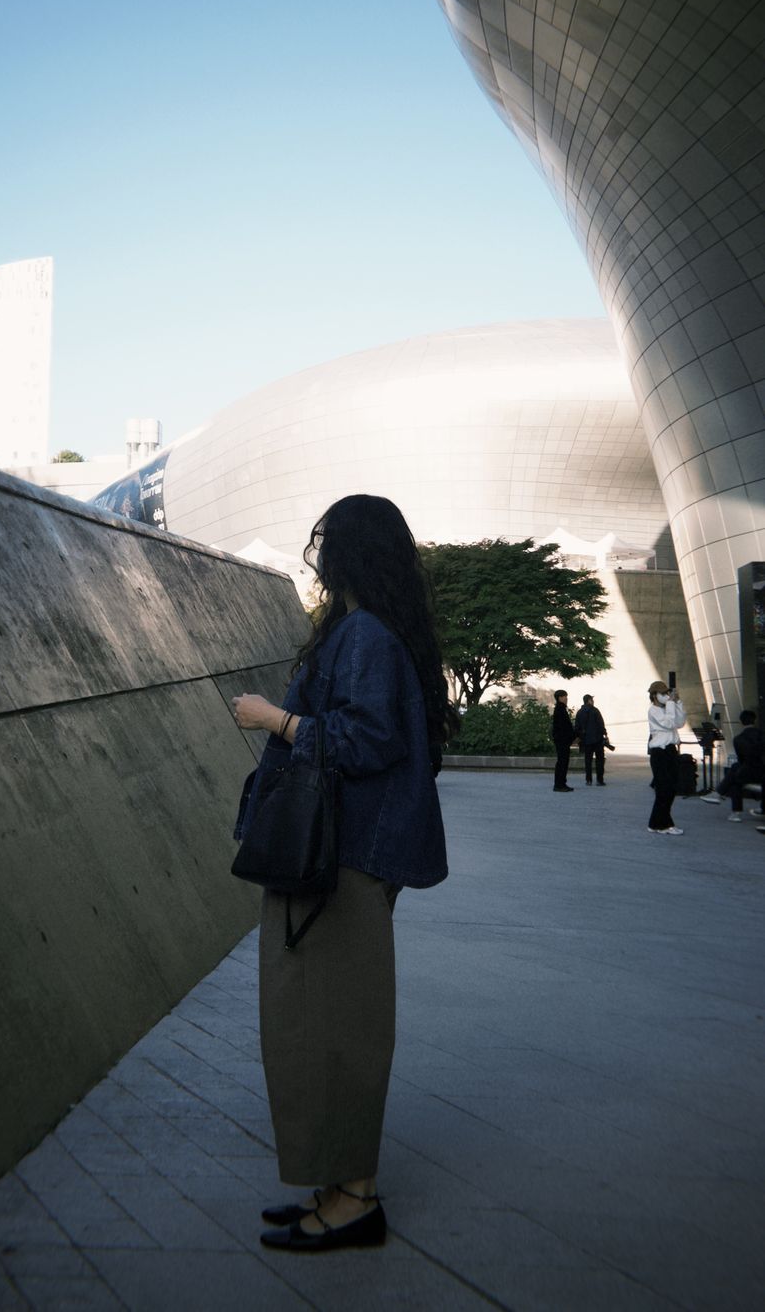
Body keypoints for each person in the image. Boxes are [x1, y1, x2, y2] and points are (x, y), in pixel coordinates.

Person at [231, 494, 457, 1254]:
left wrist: (271, 717)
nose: (318, 553)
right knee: (312, 1022)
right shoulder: (368, 629)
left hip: (341, 860)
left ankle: (354, 1200)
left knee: (338, 1028)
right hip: (337, 857)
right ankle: (333, 1184)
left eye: (327, 540)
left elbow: (365, 740)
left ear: (351, 552)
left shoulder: (364, 634)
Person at [647, 681, 686, 834]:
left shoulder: (667, 708)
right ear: (654, 695)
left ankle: (655, 824)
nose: (666, 696)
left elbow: (680, 722)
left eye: (667, 693)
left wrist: (678, 703)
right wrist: (670, 703)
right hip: (659, 752)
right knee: (664, 789)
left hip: (670, 750)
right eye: (663, 694)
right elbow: (669, 723)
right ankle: (665, 825)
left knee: (670, 789)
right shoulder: (653, 710)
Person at [721, 710, 765, 822]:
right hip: (762, 773)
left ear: (741, 722)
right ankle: (762, 808)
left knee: (735, 777)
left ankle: (735, 813)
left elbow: (742, 761)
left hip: (749, 774)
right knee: (736, 771)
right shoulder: (762, 735)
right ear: (755, 721)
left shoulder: (738, 739)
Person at [574, 693, 609, 785]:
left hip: (586, 740)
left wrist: (579, 737)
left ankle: (588, 780)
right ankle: (599, 780)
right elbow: (601, 724)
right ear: (589, 700)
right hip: (597, 739)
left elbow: (577, 727)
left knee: (588, 760)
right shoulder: (595, 711)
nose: (593, 701)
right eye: (592, 700)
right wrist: (605, 734)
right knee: (599, 760)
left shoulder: (580, 712)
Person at [551, 689, 575, 791]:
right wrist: (571, 737)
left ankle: (562, 783)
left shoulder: (560, 709)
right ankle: (559, 785)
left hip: (562, 740)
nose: (566, 698)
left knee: (563, 762)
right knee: (562, 762)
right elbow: (563, 727)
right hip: (562, 741)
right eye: (565, 696)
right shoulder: (560, 710)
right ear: (560, 698)